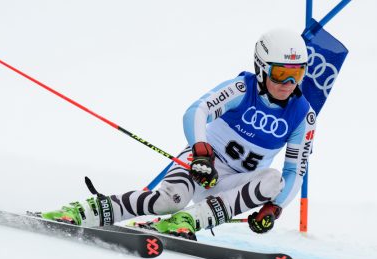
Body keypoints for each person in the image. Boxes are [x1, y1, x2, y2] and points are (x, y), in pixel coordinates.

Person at [41, 28, 316, 239]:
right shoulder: (242, 90)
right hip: (201, 165)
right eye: (281, 73)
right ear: (262, 68)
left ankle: (187, 221)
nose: (289, 84)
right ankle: (85, 212)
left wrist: (275, 208)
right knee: (168, 201)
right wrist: (200, 151)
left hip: (232, 185)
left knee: (273, 181)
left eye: (298, 74)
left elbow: (296, 171)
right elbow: (197, 111)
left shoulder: (303, 115)